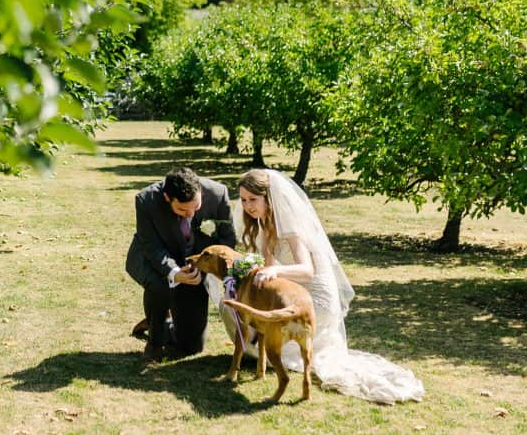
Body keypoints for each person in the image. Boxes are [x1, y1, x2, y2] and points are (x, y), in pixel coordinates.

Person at [229, 167, 425, 403]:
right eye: (243, 200)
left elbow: (307, 271)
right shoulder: (263, 225)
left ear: (268, 198)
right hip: (294, 297)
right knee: (260, 342)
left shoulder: (290, 227)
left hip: (316, 303)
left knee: (275, 355)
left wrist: (274, 270)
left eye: (253, 199)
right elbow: (270, 271)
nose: (248, 206)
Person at [124, 167, 236, 362]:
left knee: (192, 347)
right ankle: (155, 341)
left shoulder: (219, 194)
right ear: (168, 198)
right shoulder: (146, 201)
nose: (190, 214)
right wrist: (174, 272)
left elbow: (227, 239)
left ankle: (162, 324)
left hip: (196, 263)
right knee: (159, 286)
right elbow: (151, 246)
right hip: (151, 257)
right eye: (182, 210)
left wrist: (203, 269)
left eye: (196, 207)